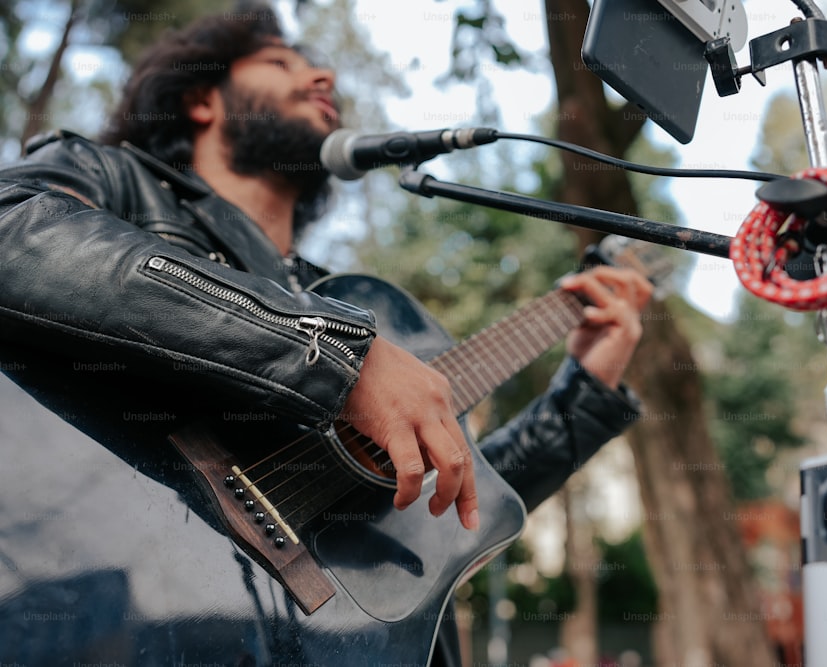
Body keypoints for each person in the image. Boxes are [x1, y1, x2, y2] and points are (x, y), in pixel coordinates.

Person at [0, 8, 651, 667]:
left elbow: (432, 518)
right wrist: (337, 357)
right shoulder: (116, 182)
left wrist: (584, 394)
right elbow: (16, 230)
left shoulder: (344, 300)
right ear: (201, 99)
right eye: (282, 62)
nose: (324, 74)